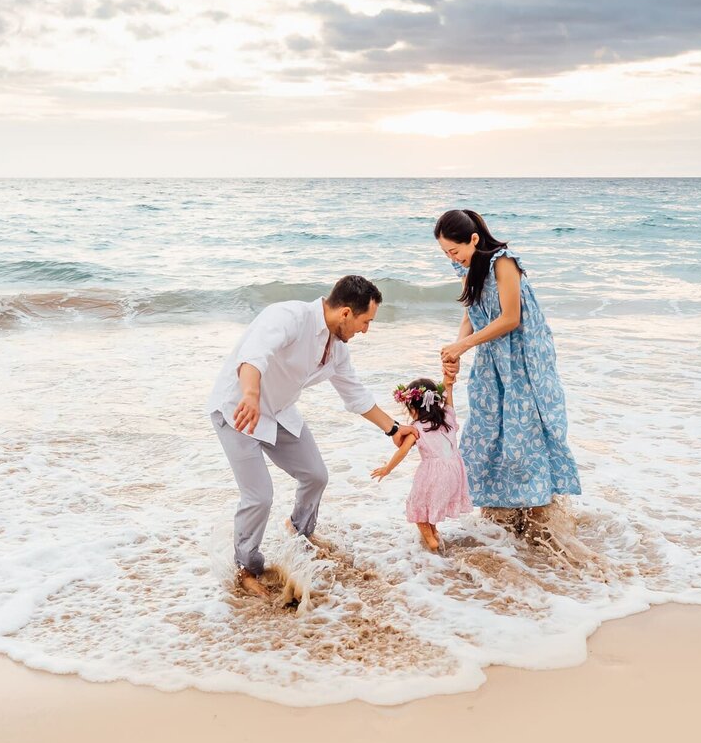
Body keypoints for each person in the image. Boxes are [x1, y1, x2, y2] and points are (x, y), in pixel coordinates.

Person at [209, 274, 419, 600]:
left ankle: (299, 531)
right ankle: (246, 568)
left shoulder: (336, 349)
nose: (366, 330)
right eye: (365, 322)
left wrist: (394, 429)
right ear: (346, 313)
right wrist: (250, 394)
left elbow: (356, 395)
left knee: (316, 476)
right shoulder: (290, 317)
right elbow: (253, 355)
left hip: (278, 412)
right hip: (239, 411)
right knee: (259, 496)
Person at [435, 209, 582, 511]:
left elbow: (511, 318)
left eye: (455, 250)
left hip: (523, 354)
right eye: (446, 253)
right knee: (489, 421)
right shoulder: (466, 267)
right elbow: (470, 311)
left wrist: (463, 346)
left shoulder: (503, 261)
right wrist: (457, 345)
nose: (452, 257)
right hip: (492, 353)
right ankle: (501, 501)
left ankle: (538, 501)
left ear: (473, 239)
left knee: (525, 423)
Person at [368, 367, 473, 553]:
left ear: (412, 408)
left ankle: (431, 543)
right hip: (455, 471)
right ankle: (434, 537)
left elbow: (402, 452)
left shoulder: (415, 428)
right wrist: (447, 380)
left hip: (433, 472)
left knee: (418, 507)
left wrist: (387, 468)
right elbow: (448, 395)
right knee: (429, 507)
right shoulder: (448, 417)